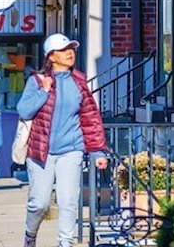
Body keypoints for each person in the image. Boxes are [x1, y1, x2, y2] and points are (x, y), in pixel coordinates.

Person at [17, 34, 109, 247]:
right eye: (64, 50)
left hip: (72, 149)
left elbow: (89, 116)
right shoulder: (37, 81)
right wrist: (44, 91)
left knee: (68, 201)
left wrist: (97, 151)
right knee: (39, 203)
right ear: (51, 56)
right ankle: (30, 235)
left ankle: (65, 243)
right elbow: (23, 110)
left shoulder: (79, 80)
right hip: (42, 151)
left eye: (72, 49)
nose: (70, 53)